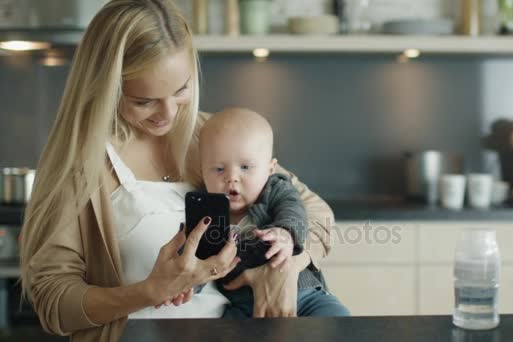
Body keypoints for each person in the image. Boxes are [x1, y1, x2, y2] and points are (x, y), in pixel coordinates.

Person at [19, 1, 334, 341]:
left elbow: (316, 214)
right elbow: (53, 302)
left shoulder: (212, 134)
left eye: (181, 90)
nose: (167, 114)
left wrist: (284, 268)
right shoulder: (79, 165)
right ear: (104, 85)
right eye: (144, 101)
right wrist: (150, 291)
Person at [194, 108, 349, 318]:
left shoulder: (275, 189)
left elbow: (294, 209)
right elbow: (198, 256)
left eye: (246, 167)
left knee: (337, 317)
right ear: (202, 170)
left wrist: (286, 233)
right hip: (242, 306)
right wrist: (188, 284)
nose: (232, 178)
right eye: (219, 169)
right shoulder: (205, 211)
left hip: (304, 294)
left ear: (270, 168)